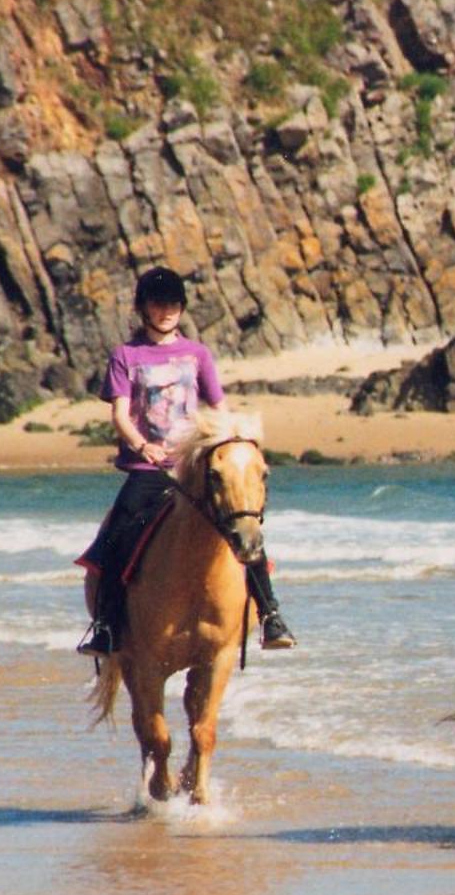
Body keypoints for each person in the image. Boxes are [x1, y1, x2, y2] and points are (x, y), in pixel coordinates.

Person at [75, 266, 296, 656]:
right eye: (158, 304)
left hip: (191, 467)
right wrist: (143, 447)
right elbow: (121, 417)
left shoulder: (197, 354)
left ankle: (270, 615)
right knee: (117, 534)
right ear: (144, 308)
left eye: (173, 304)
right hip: (148, 468)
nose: (166, 311)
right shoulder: (126, 356)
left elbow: (219, 409)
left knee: (243, 521)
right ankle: (106, 626)